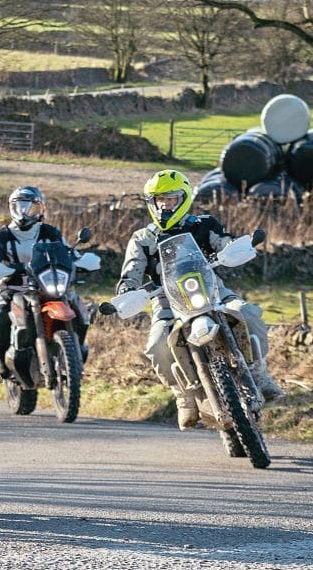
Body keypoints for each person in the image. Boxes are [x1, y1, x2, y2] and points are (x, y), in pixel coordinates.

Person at [116, 169, 284, 429]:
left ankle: (260, 374)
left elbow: (225, 243)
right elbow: (131, 272)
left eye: (171, 199)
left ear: (183, 199)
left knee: (249, 313)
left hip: (213, 290)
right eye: (159, 200)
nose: (165, 205)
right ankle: (183, 396)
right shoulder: (142, 238)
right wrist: (127, 291)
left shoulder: (204, 225)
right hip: (166, 301)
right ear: (151, 203)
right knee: (158, 344)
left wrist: (239, 247)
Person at [0, 186, 86, 377]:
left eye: (29, 207)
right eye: (19, 206)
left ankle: (78, 348)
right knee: (0, 315)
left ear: (40, 209)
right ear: (11, 208)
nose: (24, 211)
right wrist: (0, 267)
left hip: (48, 286)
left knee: (80, 308)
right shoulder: (2, 236)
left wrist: (80, 260)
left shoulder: (50, 232)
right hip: (13, 287)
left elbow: (70, 252)